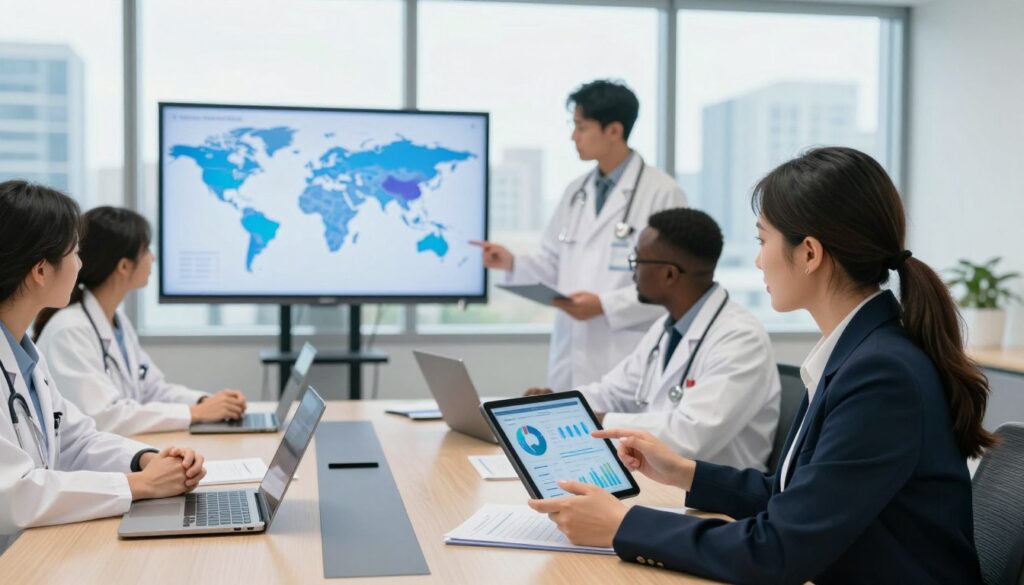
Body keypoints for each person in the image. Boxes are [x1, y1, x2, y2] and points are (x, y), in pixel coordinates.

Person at [528, 147, 988, 584]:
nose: (757, 259)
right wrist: (683, 472)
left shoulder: (880, 374)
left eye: (762, 239)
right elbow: (796, 500)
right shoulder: (860, 352)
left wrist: (623, 524)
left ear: (809, 253)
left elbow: (776, 551)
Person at [0, 181, 207, 553]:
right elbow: (13, 494)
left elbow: (77, 439)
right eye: (75, 253)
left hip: (35, 547)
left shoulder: (24, 355)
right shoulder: (60, 333)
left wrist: (145, 460)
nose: (81, 265)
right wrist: (137, 485)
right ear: (41, 270)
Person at [525, 208, 780, 470]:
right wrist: (557, 404)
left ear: (669, 274)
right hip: (660, 482)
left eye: (637, 262)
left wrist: (591, 420)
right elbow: (612, 392)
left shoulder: (740, 339)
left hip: (715, 501)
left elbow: (689, 437)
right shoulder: (666, 328)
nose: (632, 273)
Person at [473, 80, 687, 391]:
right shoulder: (576, 193)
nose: (573, 136)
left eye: (581, 127)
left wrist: (605, 305)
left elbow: (674, 286)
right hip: (572, 355)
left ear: (614, 130)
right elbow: (552, 264)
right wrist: (510, 262)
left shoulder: (663, 193)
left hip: (627, 356)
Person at [34, 206, 247, 436]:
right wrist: (195, 413)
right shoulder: (69, 331)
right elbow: (105, 416)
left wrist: (205, 401)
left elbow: (152, 389)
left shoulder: (117, 321)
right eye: (146, 250)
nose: (152, 258)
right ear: (124, 266)